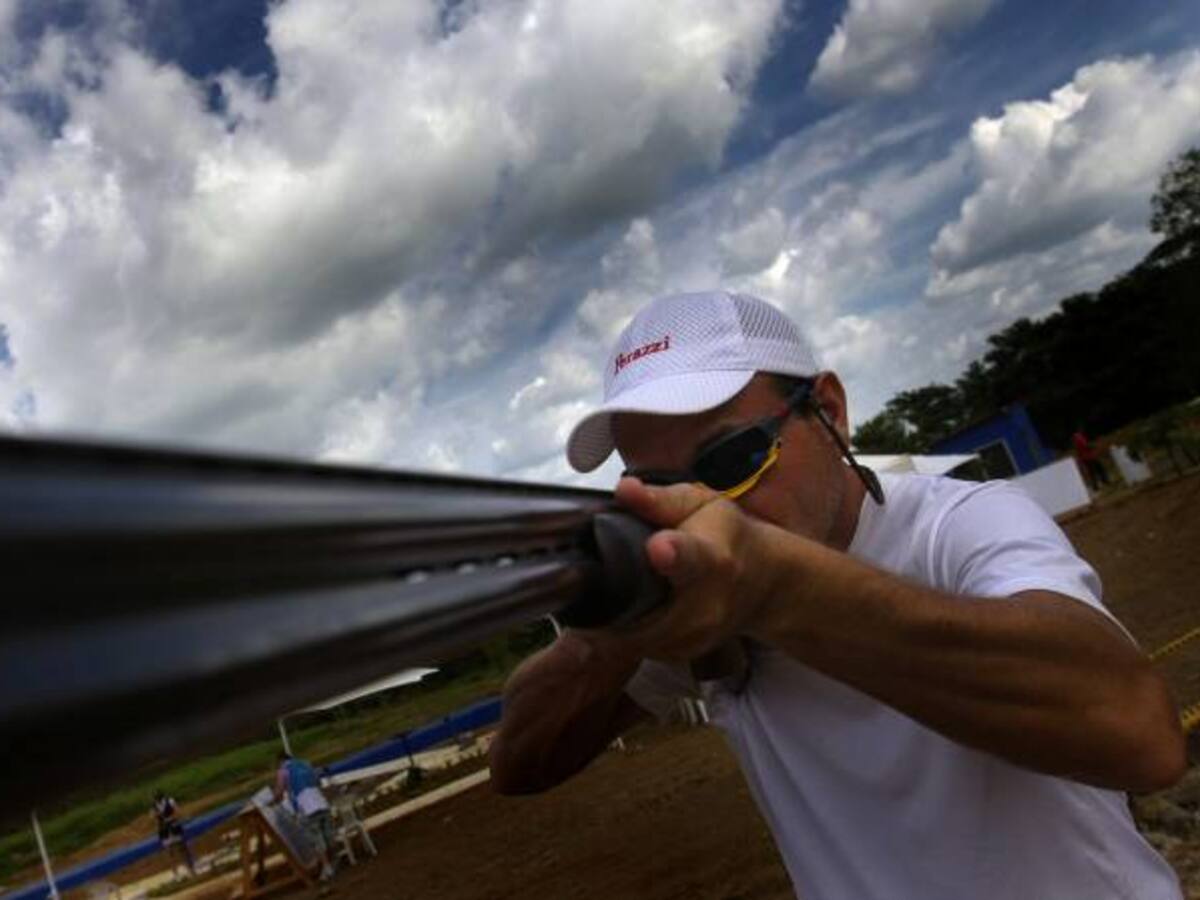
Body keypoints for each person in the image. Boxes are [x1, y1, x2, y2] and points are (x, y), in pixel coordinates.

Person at [489, 290, 1186, 900]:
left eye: (729, 460)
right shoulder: (708, 602)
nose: (702, 503)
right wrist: (614, 619)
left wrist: (778, 591)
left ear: (828, 410)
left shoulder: (957, 523)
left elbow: (1135, 733)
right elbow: (522, 759)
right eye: (660, 488)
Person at [274, 752, 337, 886]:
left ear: (280, 761)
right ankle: (333, 860)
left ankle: (327, 867)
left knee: (316, 840)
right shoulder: (306, 763)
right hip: (321, 803)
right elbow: (318, 781)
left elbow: (279, 792)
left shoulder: (283, 771)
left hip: (307, 808)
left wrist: (273, 800)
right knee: (328, 834)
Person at [151, 789, 195, 879]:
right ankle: (175, 873)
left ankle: (190, 869)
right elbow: (154, 818)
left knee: (182, 849)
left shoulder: (170, 801)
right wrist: (157, 818)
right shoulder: (154, 807)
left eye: (157, 798)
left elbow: (177, 812)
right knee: (168, 852)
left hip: (174, 827)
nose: (156, 801)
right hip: (164, 831)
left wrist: (170, 818)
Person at [1073, 426, 1111, 490]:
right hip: (1088, 457)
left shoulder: (1077, 437)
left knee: (1093, 472)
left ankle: (1097, 485)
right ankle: (1103, 482)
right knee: (1098, 469)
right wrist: (1095, 446)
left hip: (1086, 457)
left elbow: (1080, 448)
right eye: (1081, 429)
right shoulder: (1078, 437)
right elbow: (1085, 446)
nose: (1083, 430)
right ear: (1079, 429)